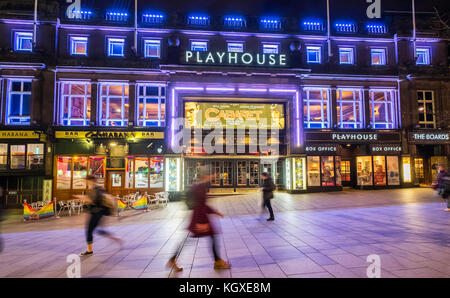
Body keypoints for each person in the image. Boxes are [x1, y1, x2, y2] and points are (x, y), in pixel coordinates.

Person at [167, 167, 231, 271]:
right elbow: (201, 205)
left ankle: (173, 259)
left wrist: (215, 212)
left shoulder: (198, 186)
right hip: (200, 218)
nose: (211, 177)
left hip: (199, 216)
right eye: (209, 175)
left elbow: (201, 204)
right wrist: (202, 222)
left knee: (205, 237)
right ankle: (217, 261)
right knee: (200, 238)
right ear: (205, 176)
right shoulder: (199, 188)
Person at [76, 175, 122, 256]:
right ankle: (115, 239)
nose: (85, 182)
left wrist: (82, 198)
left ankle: (89, 251)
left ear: (90, 181)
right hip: (100, 212)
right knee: (98, 230)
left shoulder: (95, 189)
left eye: (86, 181)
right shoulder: (99, 188)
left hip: (96, 213)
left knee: (90, 230)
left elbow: (92, 200)